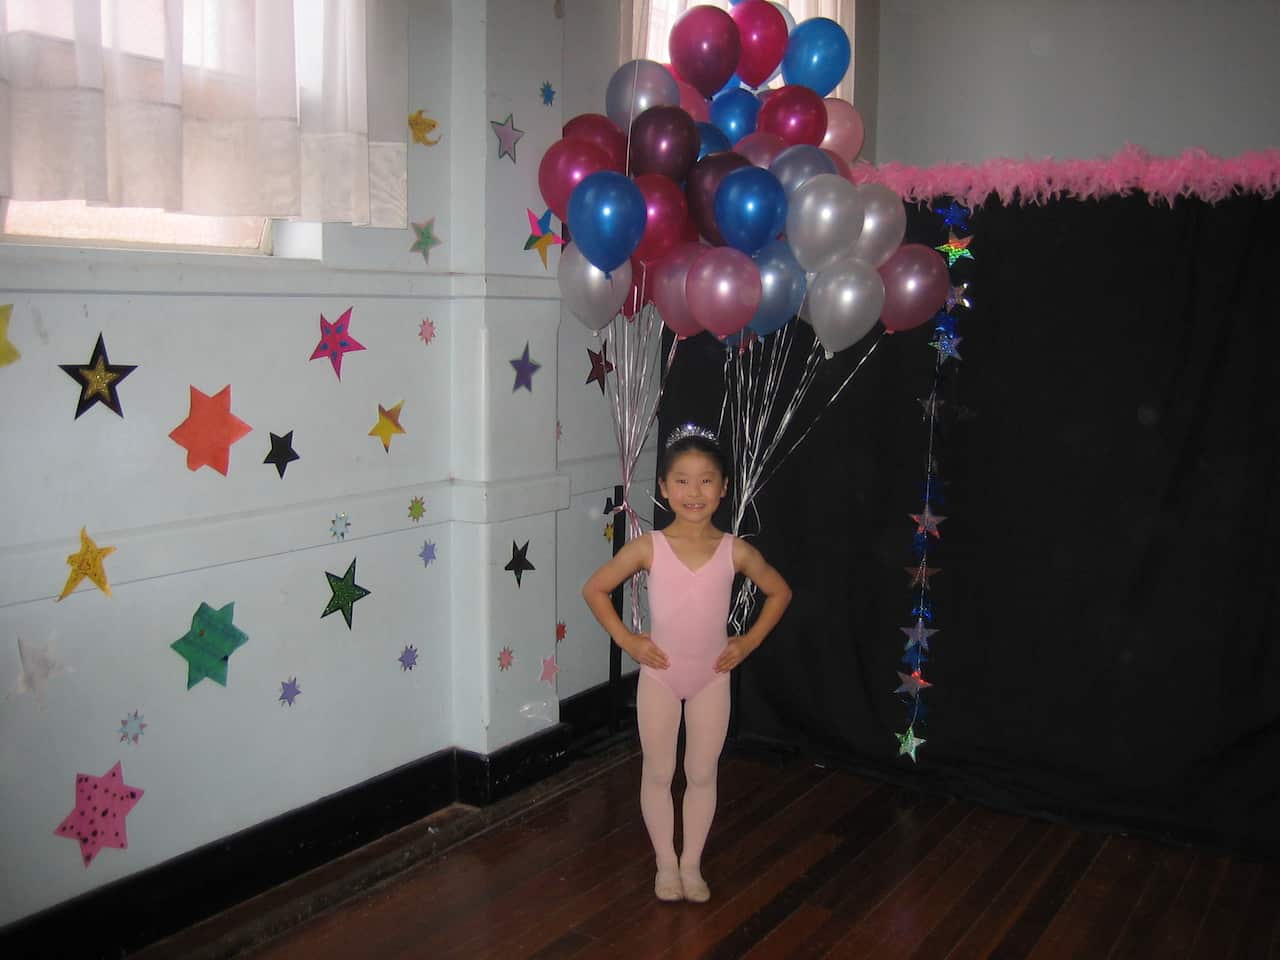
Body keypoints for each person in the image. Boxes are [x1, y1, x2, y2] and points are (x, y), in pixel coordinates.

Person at [582, 424, 792, 903]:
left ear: (722, 489)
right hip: (659, 675)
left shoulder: (734, 550)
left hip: (710, 679)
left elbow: (779, 591)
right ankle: (664, 863)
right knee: (658, 773)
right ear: (663, 488)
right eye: (681, 480)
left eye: (705, 481)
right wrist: (629, 641)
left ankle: (691, 864)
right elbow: (595, 589)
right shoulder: (647, 547)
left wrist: (749, 642)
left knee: (701, 773)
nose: (693, 492)